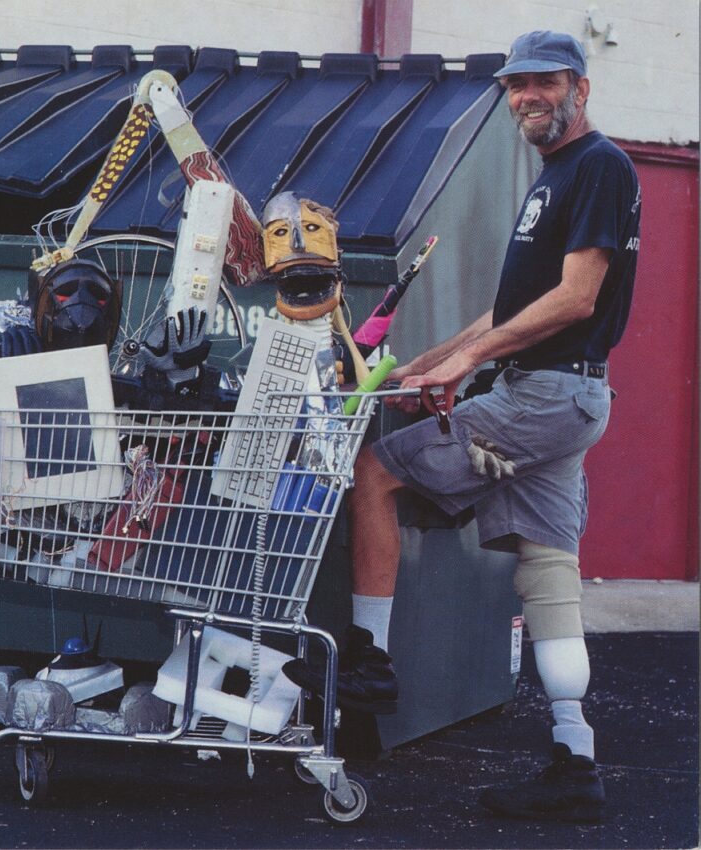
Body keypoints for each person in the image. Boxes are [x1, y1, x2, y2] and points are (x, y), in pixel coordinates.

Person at [292, 30, 641, 823]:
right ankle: (572, 760)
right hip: (564, 401)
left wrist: (472, 361)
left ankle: (371, 662)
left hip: (544, 396)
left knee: (375, 471)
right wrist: (429, 361)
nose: (528, 97)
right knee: (547, 567)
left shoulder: (598, 167)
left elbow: (578, 297)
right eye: (517, 85)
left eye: (544, 83)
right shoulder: (557, 174)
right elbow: (515, 307)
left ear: (581, 87)